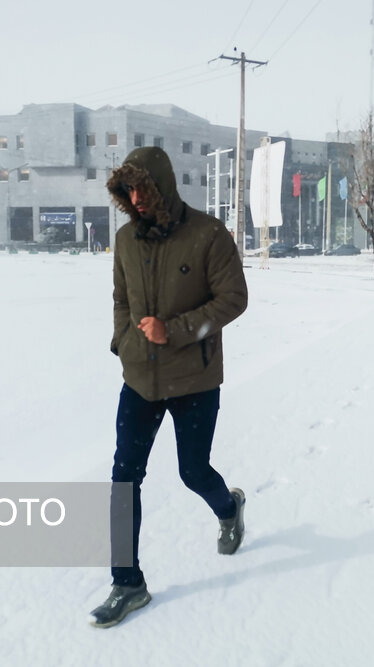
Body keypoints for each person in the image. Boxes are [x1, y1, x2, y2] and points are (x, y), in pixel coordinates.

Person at [90, 146, 249, 628]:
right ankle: (127, 582)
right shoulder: (125, 239)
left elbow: (234, 299)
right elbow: (122, 298)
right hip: (140, 378)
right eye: (127, 190)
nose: (135, 198)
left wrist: (175, 331)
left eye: (142, 187)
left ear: (161, 186)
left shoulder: (207, 234)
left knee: (192, 471)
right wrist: (124, 342)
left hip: (194, 379)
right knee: (123, 478)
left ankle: (230, 507)